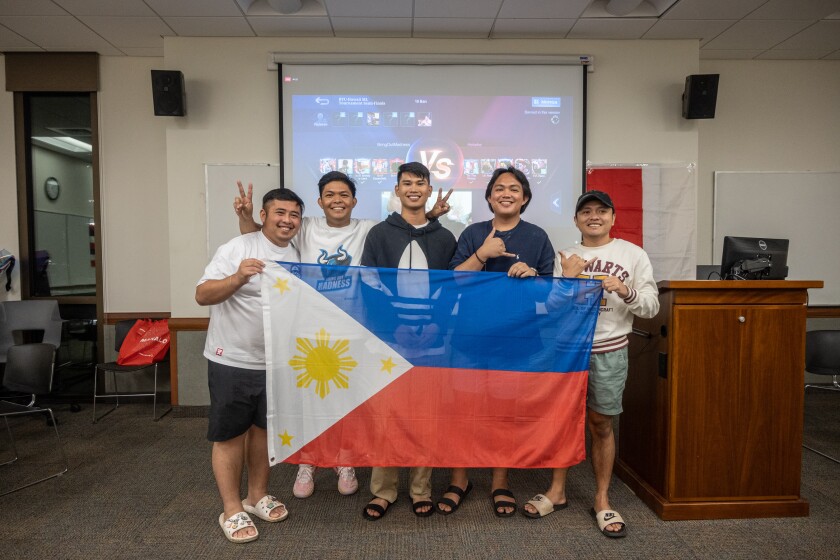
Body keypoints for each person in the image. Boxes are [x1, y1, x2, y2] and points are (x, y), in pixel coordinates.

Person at [234, 171, 453, 499]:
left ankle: (344, 460)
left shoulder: (368, 229)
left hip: (355, 332)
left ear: (354, 200)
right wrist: (246, 218)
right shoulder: (304, 225)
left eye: (344, 195)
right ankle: (308, 461)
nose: (337, 200)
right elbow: (261, 238)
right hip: (308, 331)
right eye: (330, 195)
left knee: (349, 404)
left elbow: (405, 228)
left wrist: (431, 216)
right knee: (309, 402)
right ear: (320, 201)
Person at [521, 190, 659, 540]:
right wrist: (566, 279)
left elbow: (650, 308)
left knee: (601, 423)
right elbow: (551, 309)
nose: (593, 216)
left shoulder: (632, 254)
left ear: (613, 217)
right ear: (576, 219)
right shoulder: (565, 255)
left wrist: (625, 290)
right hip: (568, 349)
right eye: (586, 211)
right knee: (563, 421)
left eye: (601, 211)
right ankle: (557, 491)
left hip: (609, 350)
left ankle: (601, 498)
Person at [440, 166, 554, 518]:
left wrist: (532, 276)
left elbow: (550, 290)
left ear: (525, 198)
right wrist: (482, 254)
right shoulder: (473, 233)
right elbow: (455, 280)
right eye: (499, 188)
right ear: (489, 197)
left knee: (503, 414)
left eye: (514, 189)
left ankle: (499, 482)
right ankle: (459, 480)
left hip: (516, 340)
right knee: (464, 412)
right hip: (469, 338)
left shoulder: (537, 236)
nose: (507, 193)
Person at [196, 188, 305, 544]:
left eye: (294, 214)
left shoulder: (298, 253)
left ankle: (256, 496)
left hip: (276, 362)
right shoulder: (238, 248)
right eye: (280, 213)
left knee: (262, 432)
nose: (287, 220)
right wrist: (238, 277)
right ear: (264, 214)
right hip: (233, 360)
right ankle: (231, 508)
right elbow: (202, 294)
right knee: (229, 435)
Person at [359, 161, 457, 520]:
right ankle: (383, 490)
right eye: (406, 183)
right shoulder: (379, 234)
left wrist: (436, 325)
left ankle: (420, 490)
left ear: (429, 190)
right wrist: (393, 327)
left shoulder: (446, 238)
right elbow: (369, 283)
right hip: (389, 343)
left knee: (425, 418)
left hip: (433, 343)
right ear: (397, 191)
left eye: (420, 183)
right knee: (386, 417)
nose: (413, 188)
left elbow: (451, 287)